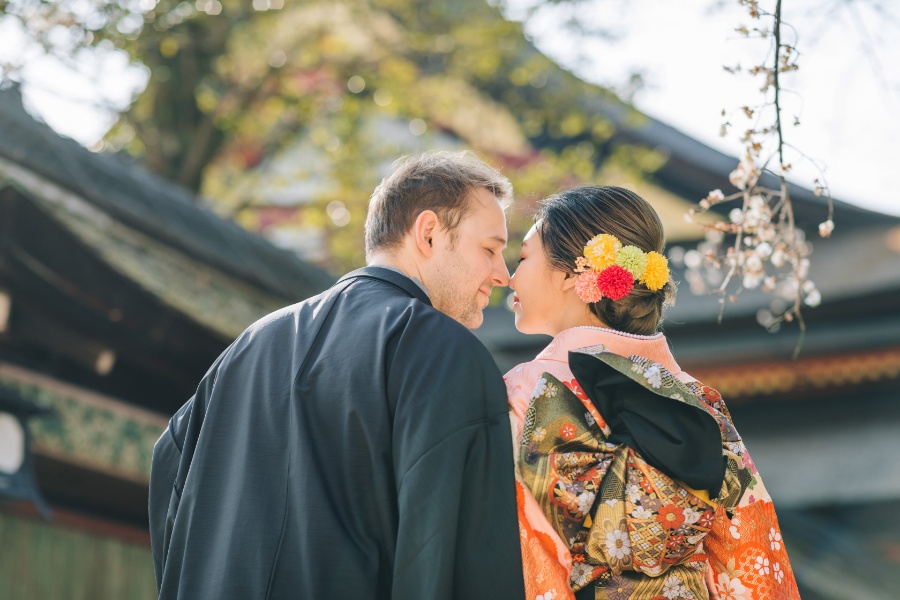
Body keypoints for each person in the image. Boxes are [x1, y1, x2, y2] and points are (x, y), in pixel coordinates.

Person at [148, 151, 526, 600]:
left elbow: (168, 463)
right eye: (489, 249)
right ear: (428, 233)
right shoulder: (444, 353)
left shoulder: (248, 346)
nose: (502, 275)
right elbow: (456, 554)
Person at [504, 186, 800, 600]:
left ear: (571, 274)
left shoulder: (530, 388)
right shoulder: (698, 399)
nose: (507, 276)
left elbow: (532, 549)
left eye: (522, 257)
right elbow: (750, 547)